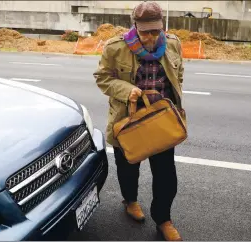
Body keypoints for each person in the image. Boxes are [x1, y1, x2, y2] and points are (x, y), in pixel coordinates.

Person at [93, 1, 185, 241]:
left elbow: (179, 74)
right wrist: (127, 90)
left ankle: (163, 219)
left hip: (161, 120)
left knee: (166, 174)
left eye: (156, 31)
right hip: (128, 120)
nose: (152, 37)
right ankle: (130, 200)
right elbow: (102, 78)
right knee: (128, 167)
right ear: (135, 26)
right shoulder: (115, 47)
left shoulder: (173, 43)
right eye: (146, 32)